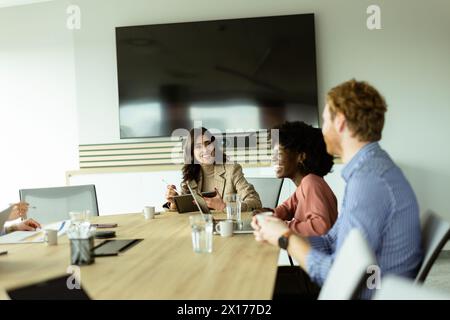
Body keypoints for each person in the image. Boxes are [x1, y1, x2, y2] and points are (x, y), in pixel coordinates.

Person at [252, 79, 423, 299]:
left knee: (253, 287)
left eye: (324, 121)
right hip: (362, 284)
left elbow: (340, 277)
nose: (321, 131)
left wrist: (285, 237)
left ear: (340, 122)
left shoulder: (370, 180)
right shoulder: (368, 171)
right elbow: (331, 240)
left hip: (365, 292)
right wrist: (277, 230)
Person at [253, 121, 337, 237]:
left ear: (301, 157)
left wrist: (280, 227)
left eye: (279, 153)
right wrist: (269, 214)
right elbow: (287, 208)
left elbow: (321, 227)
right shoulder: (304, 186)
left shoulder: (311, 183)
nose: (273, 158)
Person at [164, 127, 262, 212]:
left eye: (208, 143)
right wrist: (174, 203)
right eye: (198, 146)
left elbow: (255, 202)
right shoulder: (191, 175)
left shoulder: (232, 170)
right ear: (192, 153)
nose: (205, 150)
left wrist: (224, 206)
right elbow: (186, 209)